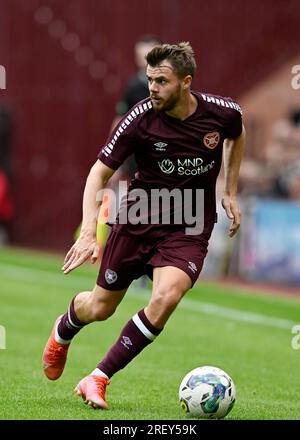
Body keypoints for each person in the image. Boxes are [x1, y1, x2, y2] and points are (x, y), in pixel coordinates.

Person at [42, 42, 245, 410]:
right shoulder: (140, 118)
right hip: (139, 219)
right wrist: (89, 231)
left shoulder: (221, 113)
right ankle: (63, 330)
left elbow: (238, 131)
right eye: (150, 79)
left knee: (166, 298)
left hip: (190, 225)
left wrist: (229, 189)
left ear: (186, 83)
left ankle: (98, 377)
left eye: (161, 81)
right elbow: (97, 174)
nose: (152, 87)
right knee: (101, 307)